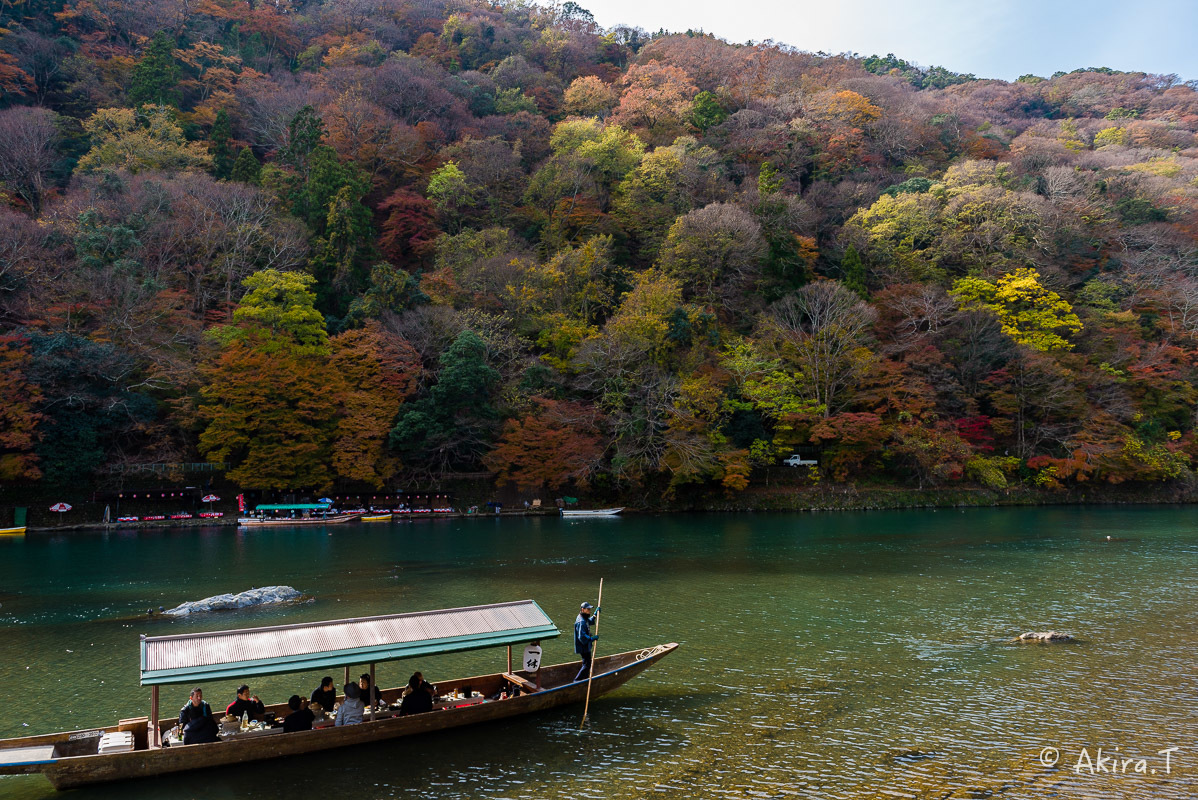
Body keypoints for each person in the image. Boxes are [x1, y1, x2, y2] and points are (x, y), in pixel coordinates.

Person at [573, 601, 600, 682]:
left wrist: (595, 614)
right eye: (588, 609)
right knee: (587, 664)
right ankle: (577, 680)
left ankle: (585, 678)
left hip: (585, 645)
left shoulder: (583, 617)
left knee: (587, 663)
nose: (589, 611)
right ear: (582, 609)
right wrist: (592, 638)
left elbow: (589, 621)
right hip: (583, 646)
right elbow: (582, 637)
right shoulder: (581, 621)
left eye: (589, 609)